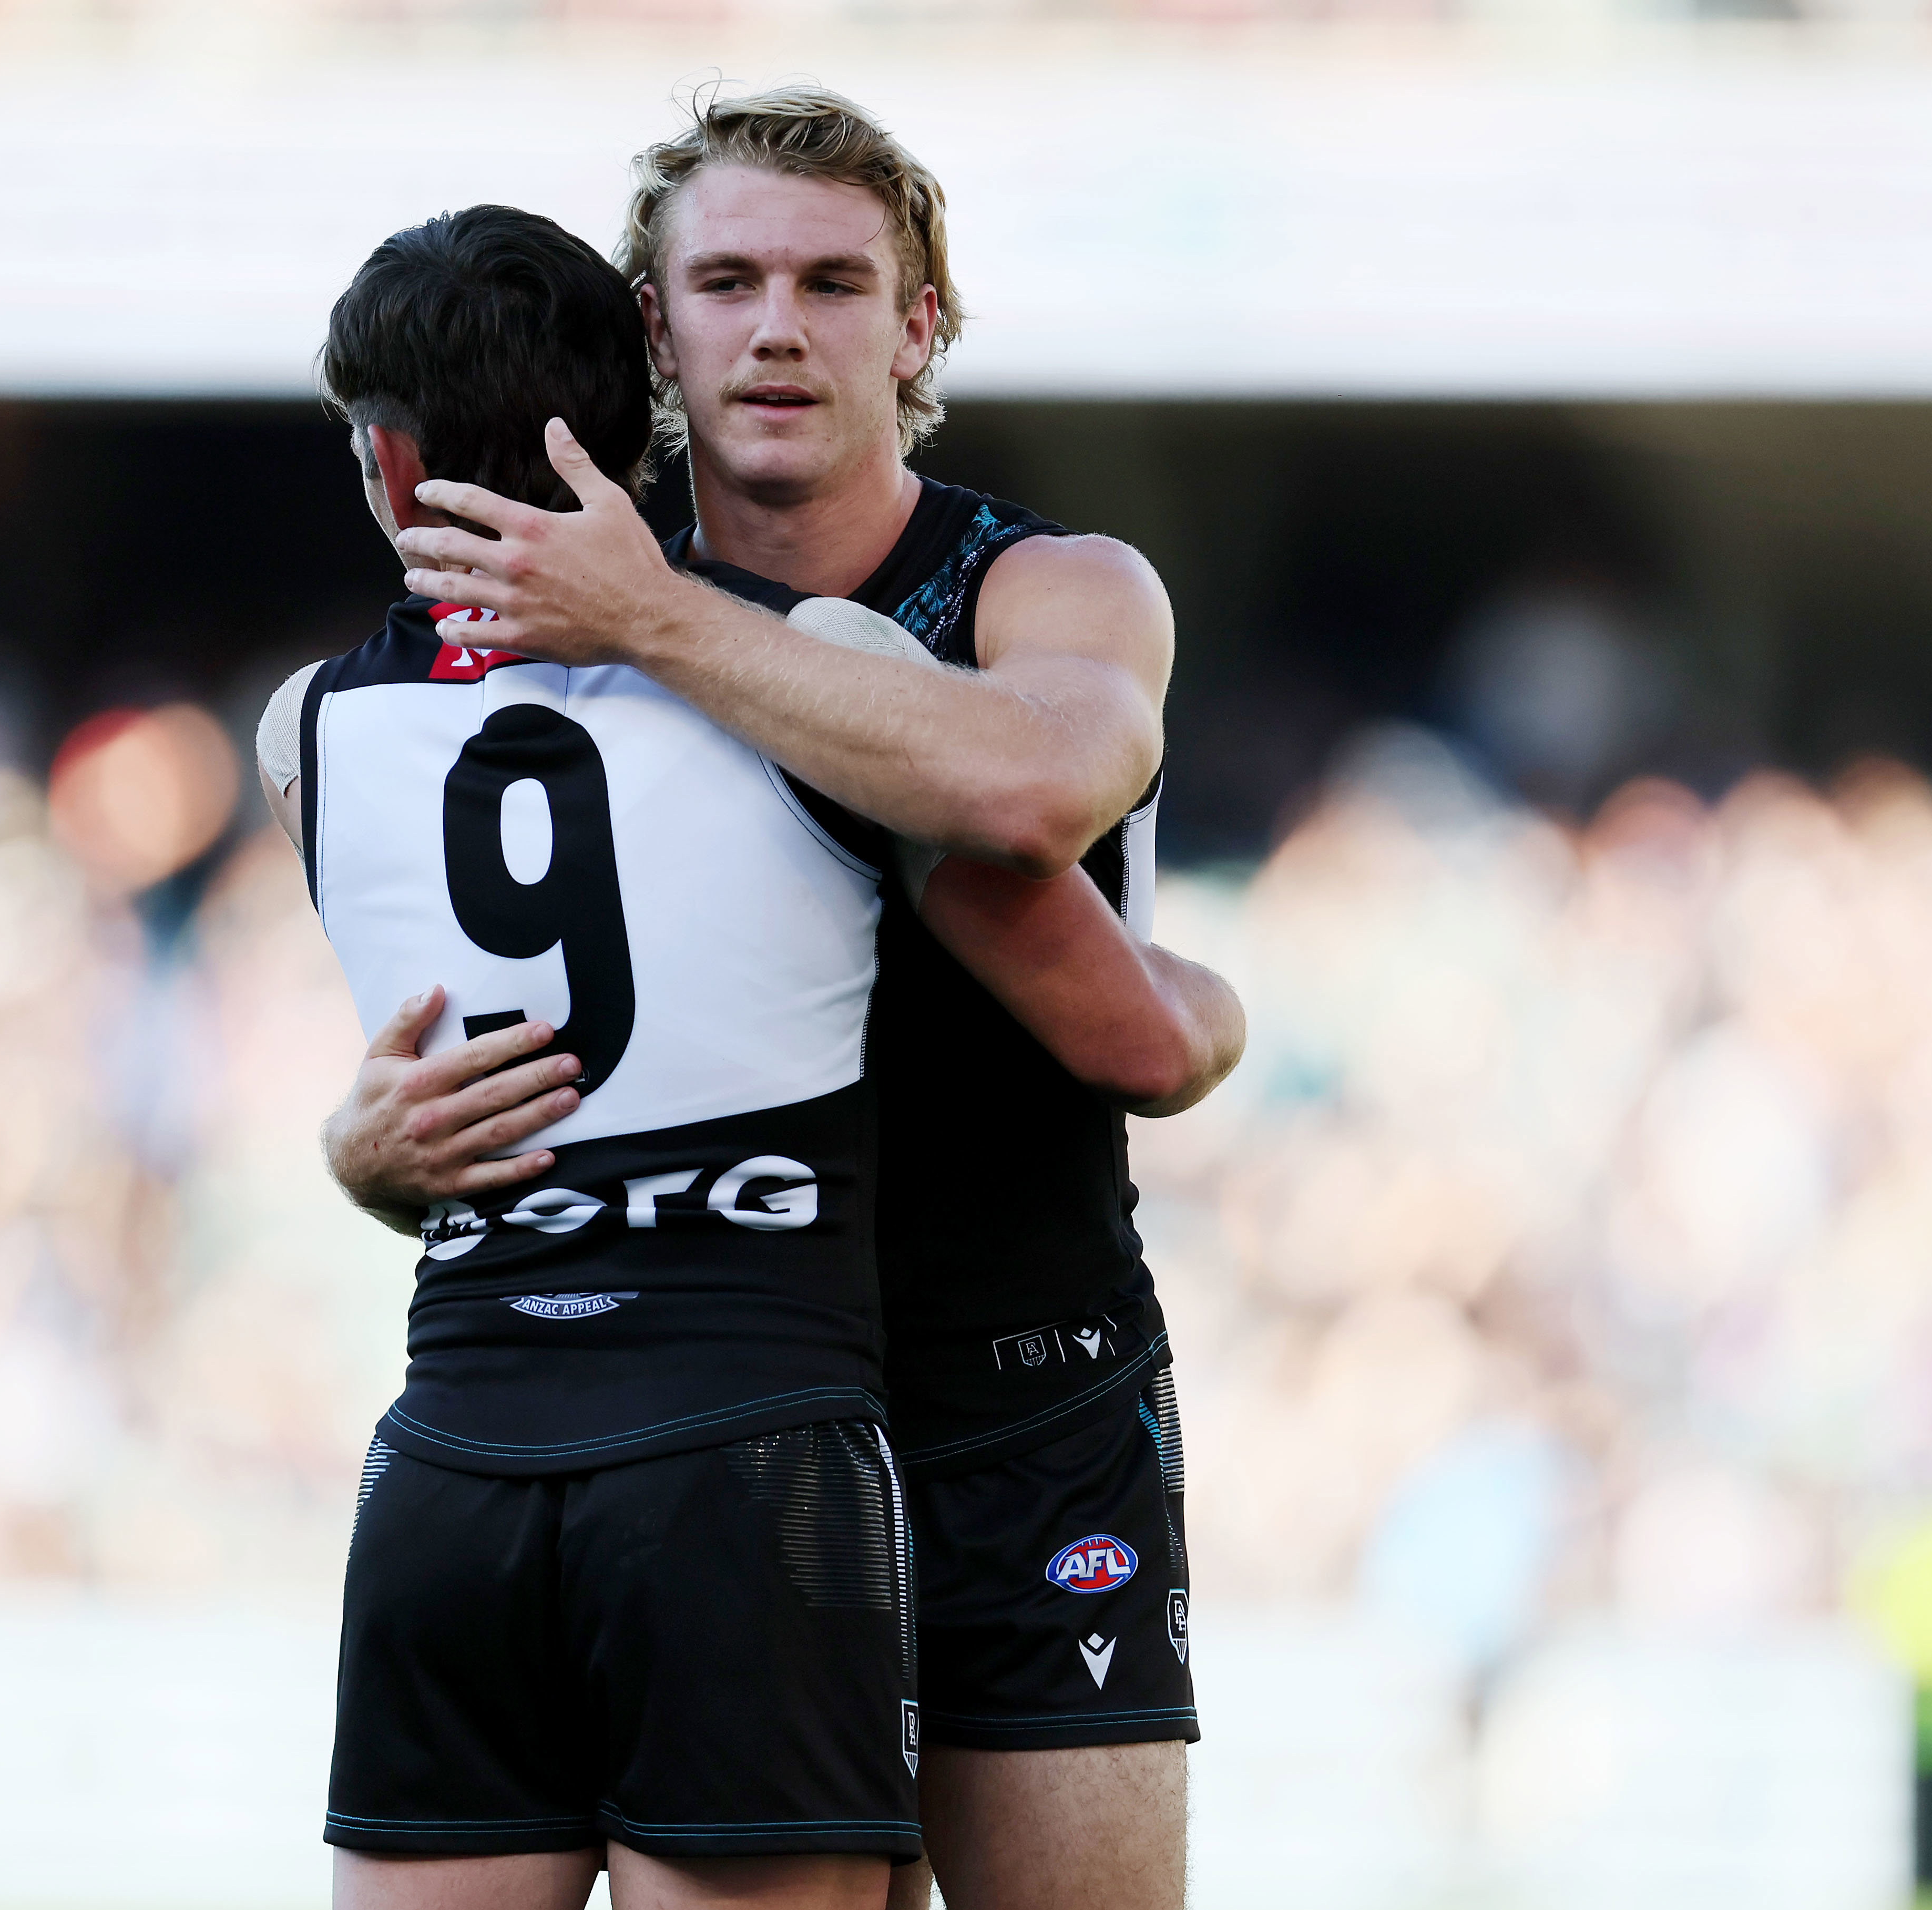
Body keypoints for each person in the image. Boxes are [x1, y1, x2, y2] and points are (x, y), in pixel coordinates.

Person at [264, 202, 1233, 1910]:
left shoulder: (310, 723)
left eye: (827, 285)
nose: (775, 329)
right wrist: (1221, 1006)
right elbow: (1138, 1030)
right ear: (651, 351)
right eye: (728, 285)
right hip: (754, 1428)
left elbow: (480, 1035)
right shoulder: (848, 674)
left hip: (498, 1431)